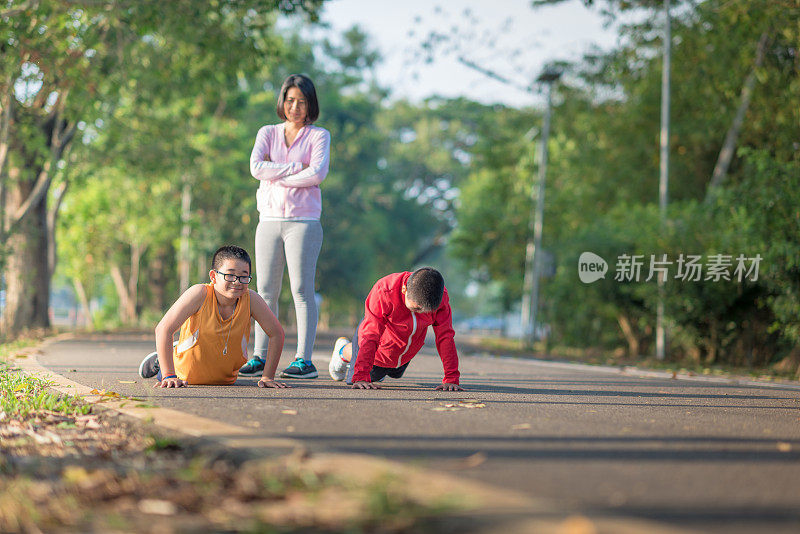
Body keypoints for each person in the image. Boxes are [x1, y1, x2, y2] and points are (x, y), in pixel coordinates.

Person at [239, 73, 331, 380]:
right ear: (283, 101)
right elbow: (255, 167)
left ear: (310, 105)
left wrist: (274, 173)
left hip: (304, 222)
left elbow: (316, 174)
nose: (295, 107)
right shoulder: (267, 132)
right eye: (290, 100)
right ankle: (259, 357)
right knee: (265, 291)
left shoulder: (319, 136)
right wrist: (294, 169)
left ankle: (304, 360)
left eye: (301, 102)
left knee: (302, 290)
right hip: (268, 220)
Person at [138, 245, 289, 389]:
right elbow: (163, 329)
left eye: (244, 276)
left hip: (225, 379)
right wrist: (168, 375)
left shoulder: (251, 299)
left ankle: (174, 348)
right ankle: (162, 359)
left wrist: (268, 376)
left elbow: (277, 333)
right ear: (213, 276)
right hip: (182, 374)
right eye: (230, 275)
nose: (237, 282)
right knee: (171, 359)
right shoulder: (199, 293)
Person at [328, 267, 464, 391]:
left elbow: (445, 337)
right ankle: (342, 351)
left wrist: (451, 378)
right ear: (404, 290)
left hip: (404, 349)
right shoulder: (385, 290)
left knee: (394, 372)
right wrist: (361, 375)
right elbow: (370, 334)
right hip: (379, 343)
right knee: (369, 377)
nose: (421, 314)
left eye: (426, 311)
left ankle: (380, 369)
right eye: (417, 308)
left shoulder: (440, 297)